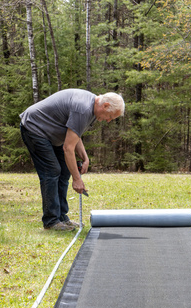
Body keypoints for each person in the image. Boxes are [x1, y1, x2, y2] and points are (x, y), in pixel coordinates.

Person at [20, 89, 125, 231]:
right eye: (110, 116)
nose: (108, 120)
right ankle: (51, 221)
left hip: (53, 134)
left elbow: (75, 133)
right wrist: (77, 179)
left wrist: (84, 156)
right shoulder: (83, 108)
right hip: (35, 127)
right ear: (105, 105)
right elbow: (68, 148)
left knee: (64, 171)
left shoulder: (92, 109)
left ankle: (61, 217)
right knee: (52, 171)